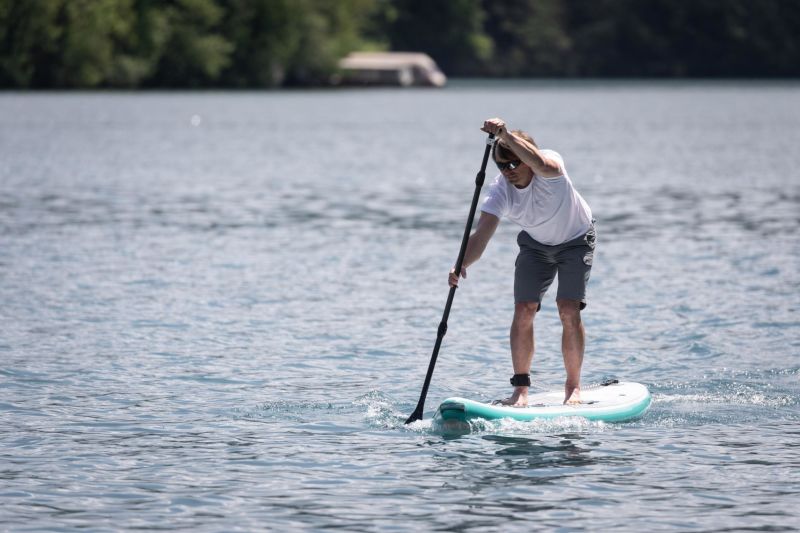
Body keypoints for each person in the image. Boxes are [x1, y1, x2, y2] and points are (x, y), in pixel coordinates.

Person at [448, 118, 595, 406]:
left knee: (567, 309)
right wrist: (461, 264)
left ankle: (573, 387)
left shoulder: (550, 165)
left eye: (514, 164)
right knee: (524, 310)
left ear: (527, 157)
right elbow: (481, 236)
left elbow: (540, 163)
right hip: (536, 246)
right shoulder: (500, 189)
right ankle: (521, 390)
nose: (508, 171)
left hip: (575, 240)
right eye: (502, 166)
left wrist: (506, 135)